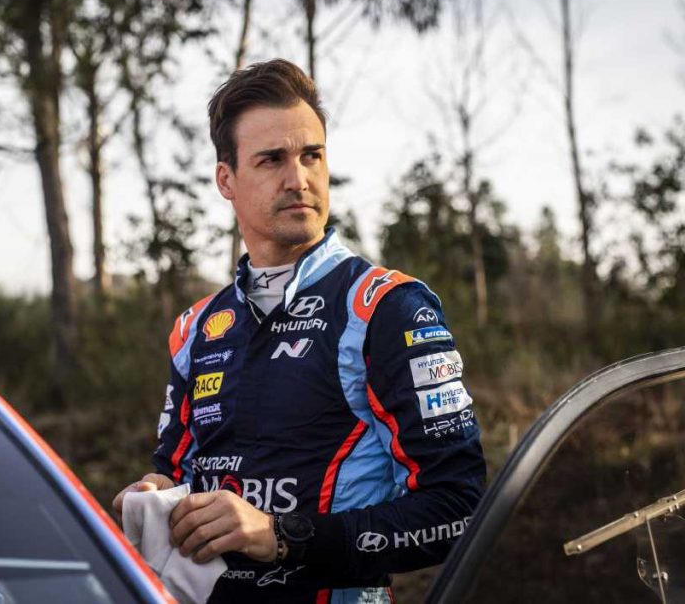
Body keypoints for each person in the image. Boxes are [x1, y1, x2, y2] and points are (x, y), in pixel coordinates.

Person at [113, 59, 486, 603]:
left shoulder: (385, 308)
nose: (299, 179)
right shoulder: (196, 328)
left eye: (312, 155)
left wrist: (281, 535)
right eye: (271, 160)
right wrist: (156, 495)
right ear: (226, 180)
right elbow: (175, 470)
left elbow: (459, 510)